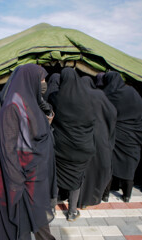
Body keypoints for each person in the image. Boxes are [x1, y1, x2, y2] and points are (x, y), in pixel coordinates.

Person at [0, 64, 57, 240]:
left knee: (38, 219)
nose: (43, 83)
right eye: (41, 79)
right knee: (23, 224)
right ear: (30, 79)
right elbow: (7, 148)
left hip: (35, 175)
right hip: (21, 177)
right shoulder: (12, 106)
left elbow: (34, 133)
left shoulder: (31, 102)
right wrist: (17, 183)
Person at [49, 68, 97, 221]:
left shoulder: (55, 97)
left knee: (56, 176)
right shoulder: (89, 99)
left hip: (60, 147)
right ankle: (71, 212)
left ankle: (51, 209)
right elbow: (93, 121)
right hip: (83, 147)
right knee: (76, 178)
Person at [102, 71, 142, 202]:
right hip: (134, 133)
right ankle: (127, 195)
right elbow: (141, 109)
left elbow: (105, 112)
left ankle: (105, 194)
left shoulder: (108, 94)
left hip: (116, 134)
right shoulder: (132, 92)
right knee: (129, 165)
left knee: (111, 165)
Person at [77, 76, 117, 208]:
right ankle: (93, 197)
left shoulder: (79, 95)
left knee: (84, 170)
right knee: (98, 169)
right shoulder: (100, 95)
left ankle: (80, 200)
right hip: (100, 136)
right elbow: (112, 112)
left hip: (83, 137)